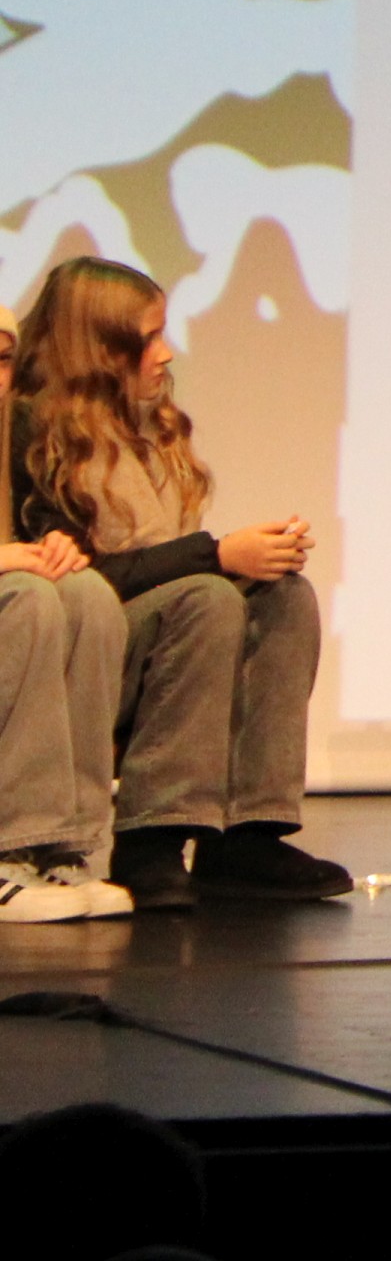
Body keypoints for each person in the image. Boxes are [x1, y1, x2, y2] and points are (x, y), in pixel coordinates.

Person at [10, 256, 349, 909]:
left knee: (283, 597)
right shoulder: (35, 431)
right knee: (206, 597)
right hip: (80, 648)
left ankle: (247, 835)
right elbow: (78, 576)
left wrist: (241, 558)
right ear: (100, 349)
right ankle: (152, 840)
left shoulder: (144, 425)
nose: (165, 354)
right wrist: (216, 554)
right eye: (148, 339)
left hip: (150, 635)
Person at [0, 311, 131, 925]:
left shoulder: (17, 426)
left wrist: (58, 543)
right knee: (28, 598)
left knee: (89, 596)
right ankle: (13, 847)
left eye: (3, 360)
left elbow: (45, 517)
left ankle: (70, 846)